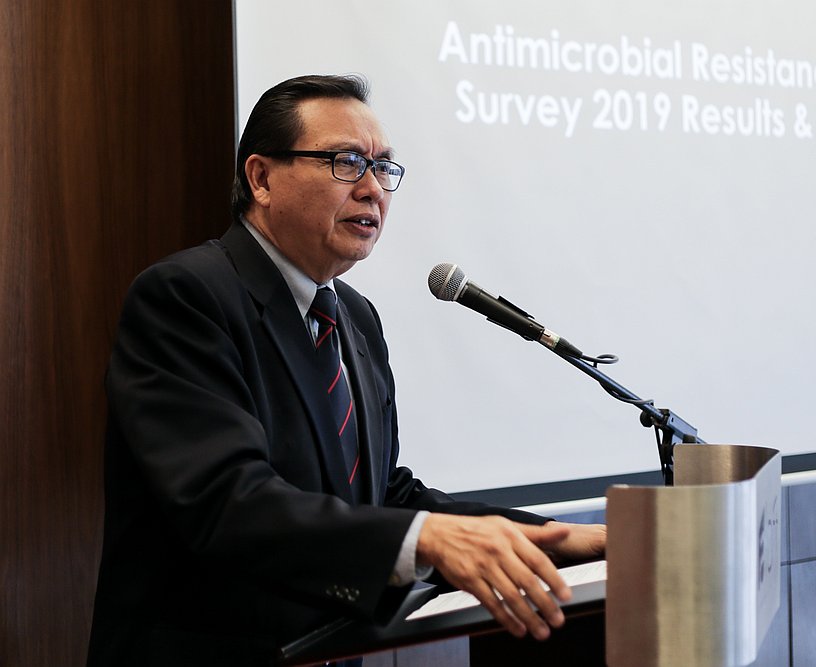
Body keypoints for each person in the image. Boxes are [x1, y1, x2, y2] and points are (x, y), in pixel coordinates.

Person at [87, 74, 606, 667]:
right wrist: (424, 539)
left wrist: (551, 538)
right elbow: (228, 502)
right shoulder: (186, 298)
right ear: (260, 178)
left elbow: (384, 493)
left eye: (385, 168)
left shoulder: (355, 318)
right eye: (346, 161)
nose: (372, 189)